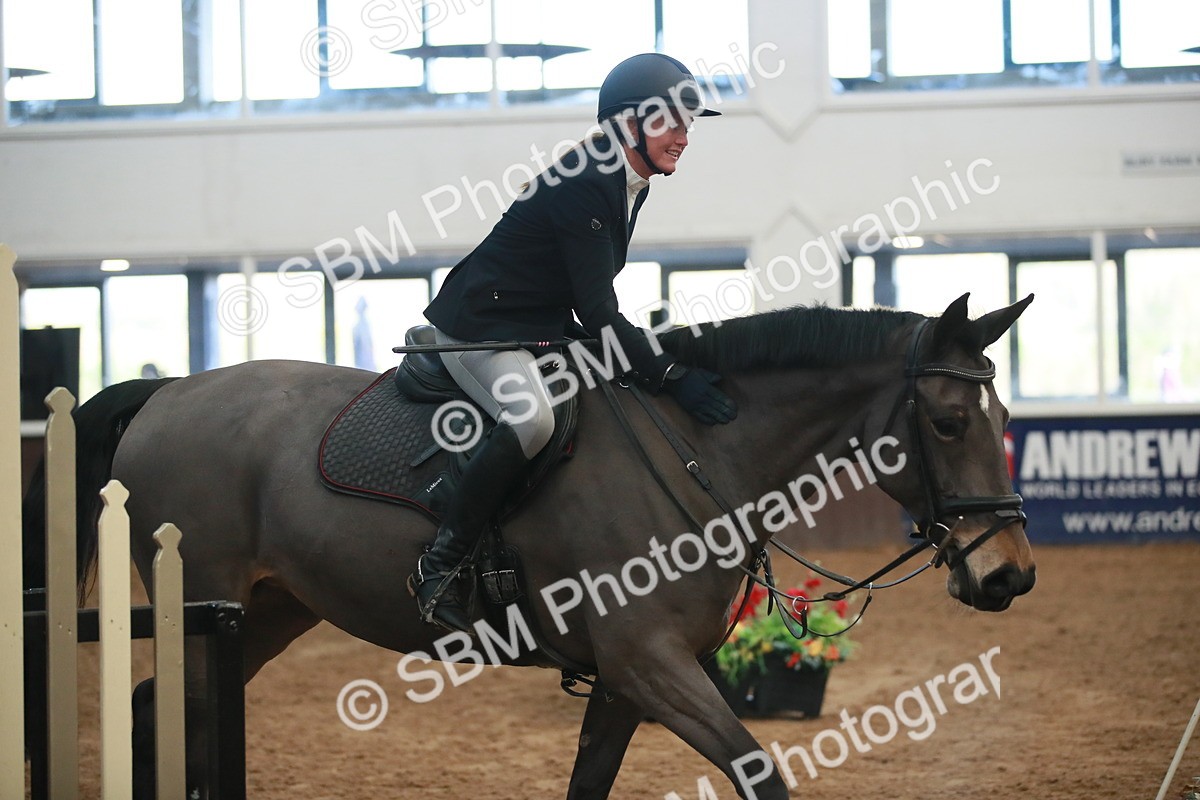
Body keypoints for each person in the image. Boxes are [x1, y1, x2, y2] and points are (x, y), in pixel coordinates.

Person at [412, 53, 739, 633]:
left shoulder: (627, 180)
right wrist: (668, 375)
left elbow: (586, 305)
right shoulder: (587, 181)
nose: (685, 137)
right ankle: (441, 563)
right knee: (532, 420)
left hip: (534, 326)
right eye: (672, 122)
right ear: (626, 124)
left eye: (690, 125)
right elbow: (598, 311)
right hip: (477, 330)